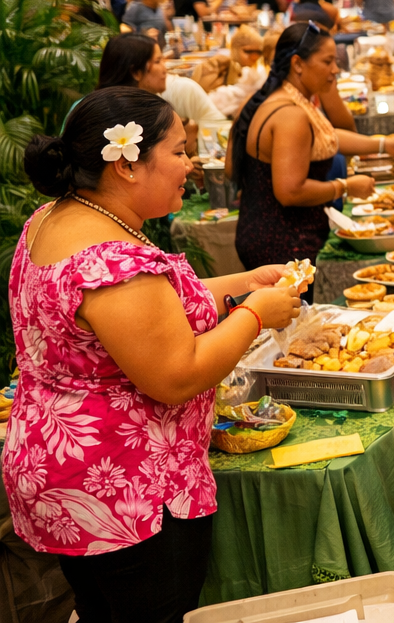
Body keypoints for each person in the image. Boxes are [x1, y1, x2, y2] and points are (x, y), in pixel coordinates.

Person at [10, 87, 304, 620]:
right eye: (179, 150)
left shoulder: (55, 218)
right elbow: (174, 374)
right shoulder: (114, 261)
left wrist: (242, 284)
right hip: (124, 489)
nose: (189, 165)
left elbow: (148, 316)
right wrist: (255, 314)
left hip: (63, 469)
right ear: (126, 165)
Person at [227, 22, 394, 269]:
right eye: (327, 62)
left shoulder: (290, 100)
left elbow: (327, 136)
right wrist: (345, 186)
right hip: (282, 244)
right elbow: (290, 191)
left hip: (276, 235)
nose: (335, 69)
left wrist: (384, 144)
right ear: (297, 64)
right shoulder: (290, 115)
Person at [98, 33, 227, 130]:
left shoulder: (155, 101)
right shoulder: (106, 115)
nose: (165, 68)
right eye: (158, 61)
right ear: (136, 72)